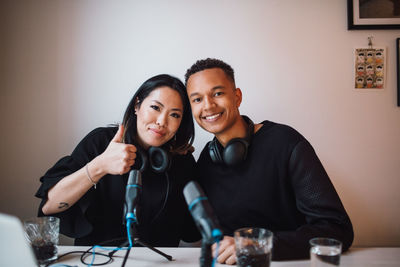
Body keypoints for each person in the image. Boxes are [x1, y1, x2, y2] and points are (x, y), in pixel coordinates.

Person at [184, 58, 354, 262]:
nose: (208, 106)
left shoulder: (286, 143)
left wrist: (256, 246)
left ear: (237, 97)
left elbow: (337, 229)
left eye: (218, 93)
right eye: (197, 99)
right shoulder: (206, 160)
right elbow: (191, 232)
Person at [35, 74, 200, 247]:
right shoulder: (100, 142)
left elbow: (192, 232)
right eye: (155, 107)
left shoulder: (182, 160)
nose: (161, 121)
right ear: (137, 105)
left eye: (174, 115)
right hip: (98, 259)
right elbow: (49, 207)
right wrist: (99, 166)